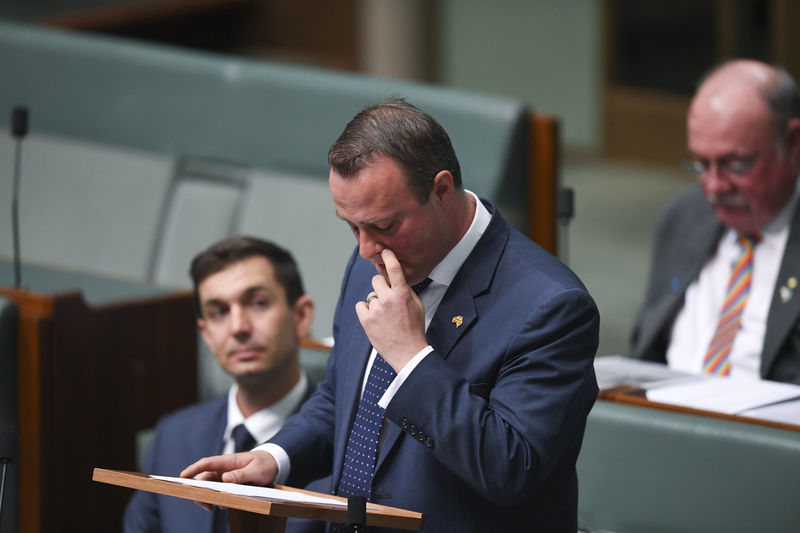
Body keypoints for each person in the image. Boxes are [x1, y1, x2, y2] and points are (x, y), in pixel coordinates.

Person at [181, 97, 600, 532]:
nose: (366, 250)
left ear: (440, 190)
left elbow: (509, 469)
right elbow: (341, 399)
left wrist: (412, 358)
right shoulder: (371, 260)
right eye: (351, 226)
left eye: (384, 226)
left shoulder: (551, 306)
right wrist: (274, 457)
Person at [123, 236, 320, 533]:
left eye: (258, 303)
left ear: (301, 316)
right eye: (219, 312)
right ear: (206, 334)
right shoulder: (174, 436)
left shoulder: (344, 445)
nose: (238, 327)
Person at [631, 59, 800, 383]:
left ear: (792, 145)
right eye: (700, 164)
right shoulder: (683, 215)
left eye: (736, 164)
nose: (714, 185)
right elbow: (646, 351)